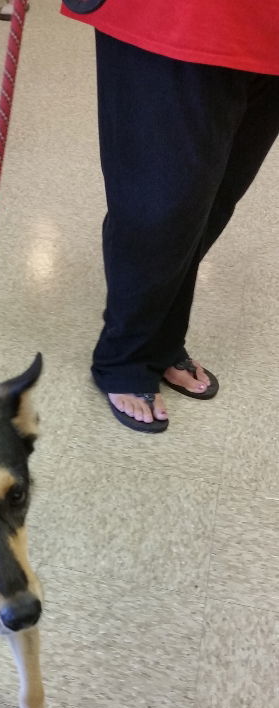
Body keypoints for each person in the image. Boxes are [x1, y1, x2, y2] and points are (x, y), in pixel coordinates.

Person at [61, 0, 279, 432]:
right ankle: (124, 354)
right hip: (176, 15)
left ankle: (160, 341)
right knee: (160, 205)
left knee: (214, 198)